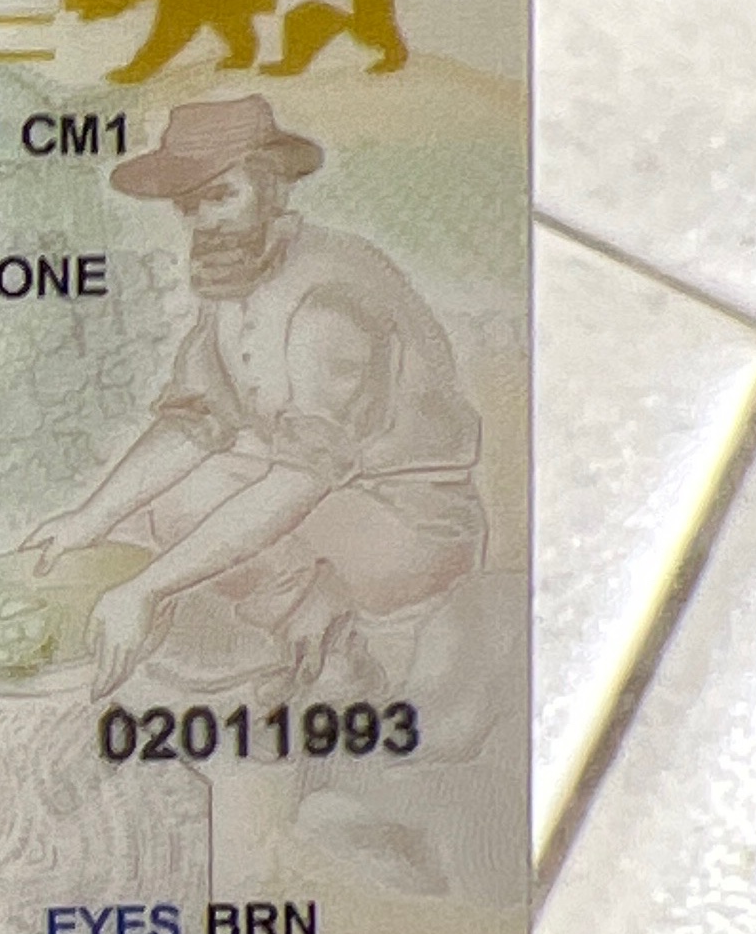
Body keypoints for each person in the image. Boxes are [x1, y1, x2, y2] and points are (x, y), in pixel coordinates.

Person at [25, 96, 486, 702]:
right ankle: (312, 625)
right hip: (330, 494)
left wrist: (146, 589)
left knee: (191, 524)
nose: (204, 221)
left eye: (222, 196)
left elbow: (302, 476)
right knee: (171, 505)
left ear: (273, 190)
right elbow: (196, 421)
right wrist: (90, 519)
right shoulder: (237, 281)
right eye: (189, 205)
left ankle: (342, 653)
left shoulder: (328, 299)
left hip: (407, 520)